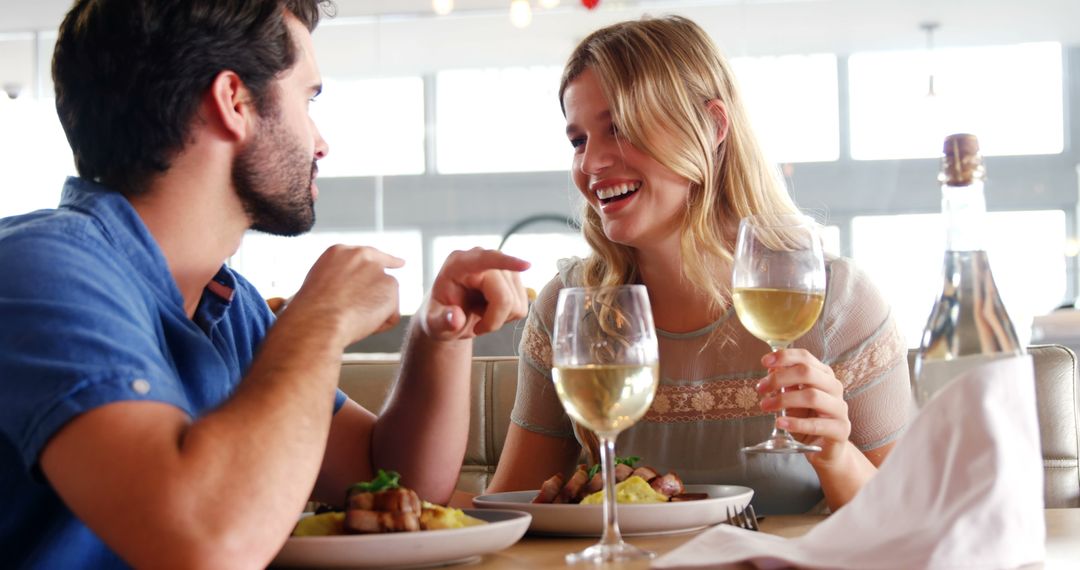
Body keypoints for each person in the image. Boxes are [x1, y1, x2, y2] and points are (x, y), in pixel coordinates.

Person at [0, 1, 530, 568]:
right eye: (309, 98)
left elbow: (392, 484)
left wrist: (439, 332)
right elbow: (204, 545)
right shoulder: (39, 269)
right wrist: (319, 318)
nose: (321, 142)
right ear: (234, 102)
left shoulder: (228, 303)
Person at [486, 15, 913, 515]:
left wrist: (836, 454)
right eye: (578, 141)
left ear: (712, 125)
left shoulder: (837, 302)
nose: (591, 163)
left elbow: (909, 522)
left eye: (619, 128)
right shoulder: (571, 307)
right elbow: (507, 514)